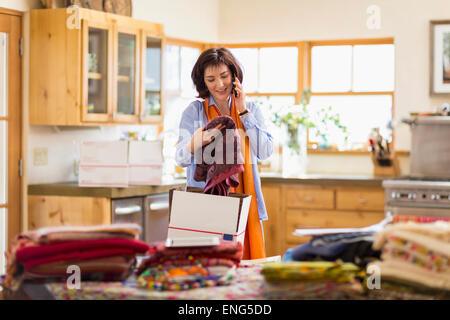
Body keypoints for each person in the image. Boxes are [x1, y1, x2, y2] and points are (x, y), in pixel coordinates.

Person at [175, 47, 273, 260]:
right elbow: (180, 159)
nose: (219, 85)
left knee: (246, 270)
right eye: (211, 79)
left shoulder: (251, 109)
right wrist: (194, 143)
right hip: (205, 202)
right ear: (203, 82)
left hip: (245, 201)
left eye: (224, 76)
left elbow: (265, 151)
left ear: (234, 75)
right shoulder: (194, 111)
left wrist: (243, 111)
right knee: (207, 268)